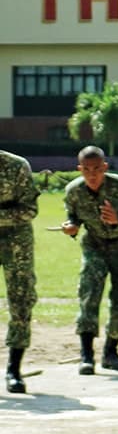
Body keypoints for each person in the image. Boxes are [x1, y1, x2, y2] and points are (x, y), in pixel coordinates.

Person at [62, 146, 118, 375]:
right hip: (94, 246)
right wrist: (71, 227)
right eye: (86, 170)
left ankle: (111, 351)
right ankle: (86, 356)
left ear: (105, 167)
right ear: (80, 169)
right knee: (89, 295)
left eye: (97, 169)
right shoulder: (73, 191)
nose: (92, 175)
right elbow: (72, 216)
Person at [0, 150, 39, 393]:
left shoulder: (16, 165)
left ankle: (14, 369)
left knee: (21, 300)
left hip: (17, 241)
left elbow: (29, 209)